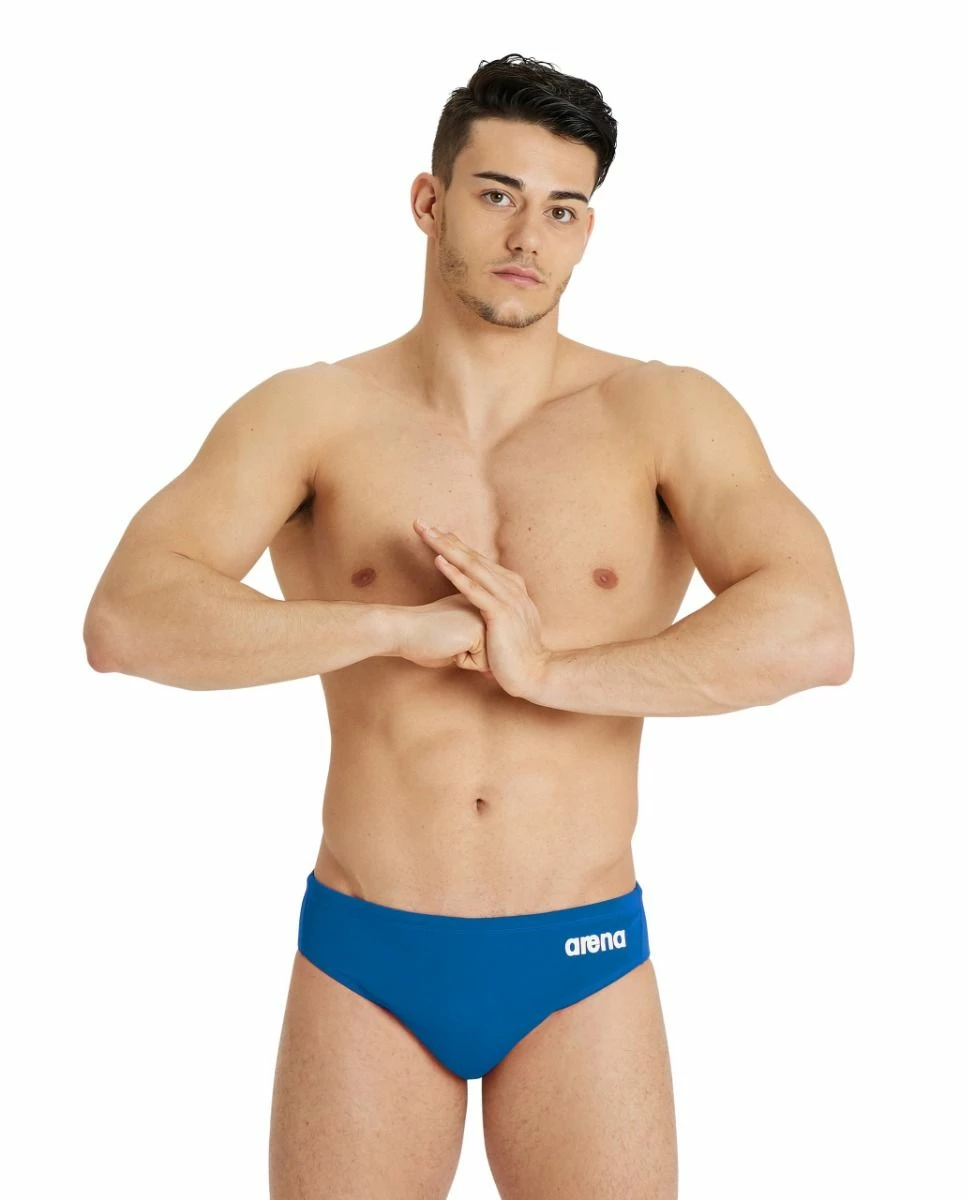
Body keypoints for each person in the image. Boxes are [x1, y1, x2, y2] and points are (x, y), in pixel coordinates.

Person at [82, 52, 853, 1200]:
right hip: (369, 948)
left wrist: (548, 671)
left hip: (580, 953)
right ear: (429, 201)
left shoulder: (664, 412)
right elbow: (127, 617)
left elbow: (813, 631)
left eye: (563, 209)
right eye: (498, 195)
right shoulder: (314, 411)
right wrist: (387, 629)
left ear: (588, 232)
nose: (529, 236)